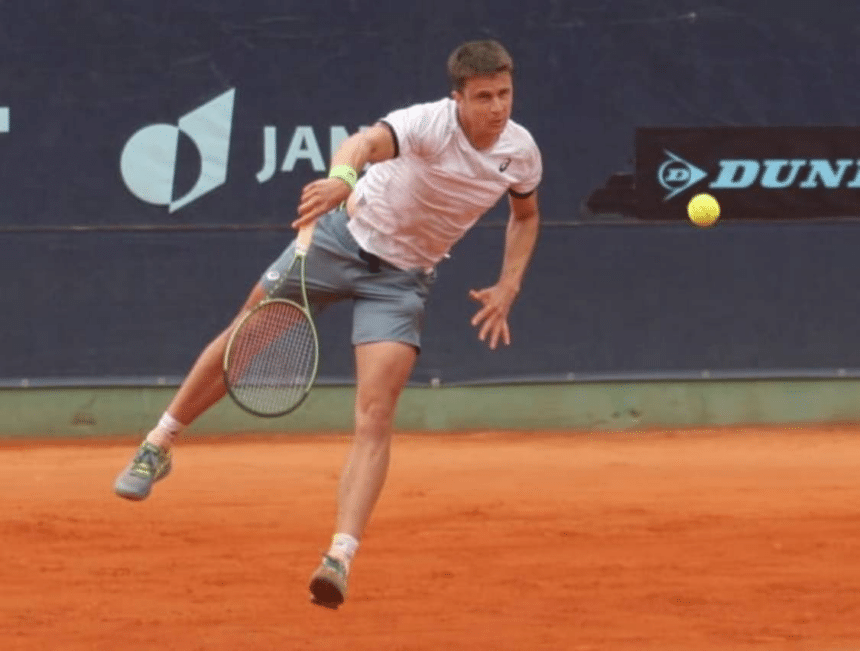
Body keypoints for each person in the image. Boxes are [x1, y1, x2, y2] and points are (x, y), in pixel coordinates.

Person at [113, 38, 543, 609]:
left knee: (375, 414)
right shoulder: (426, 124)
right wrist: (344, 177)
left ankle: (338, 557)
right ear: (458, 98)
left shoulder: (521, 152)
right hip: (338, 241)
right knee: (247, 335)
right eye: (484, 96)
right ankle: (159, 442)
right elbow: (362, 142)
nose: (498, 107)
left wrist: (509, 283)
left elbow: (525, 214)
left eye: (505, 93)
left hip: (400, 282)